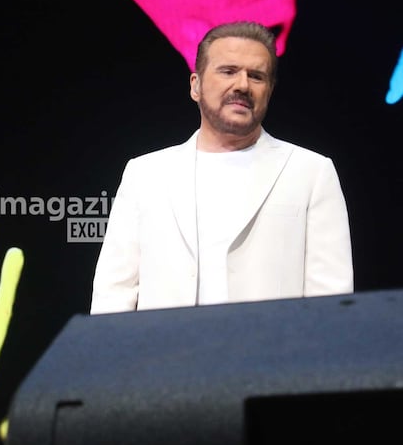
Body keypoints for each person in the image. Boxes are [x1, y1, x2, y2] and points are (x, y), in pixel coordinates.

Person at [91, 21, 353, 314]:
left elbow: (331, 298)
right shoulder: (145, 174)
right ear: (196, 86)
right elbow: (114, 290)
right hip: (165, 355)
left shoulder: (311, 172)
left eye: (256, 76)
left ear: (269, 91)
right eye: (228, 71)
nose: (242, 85)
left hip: (270, 355)